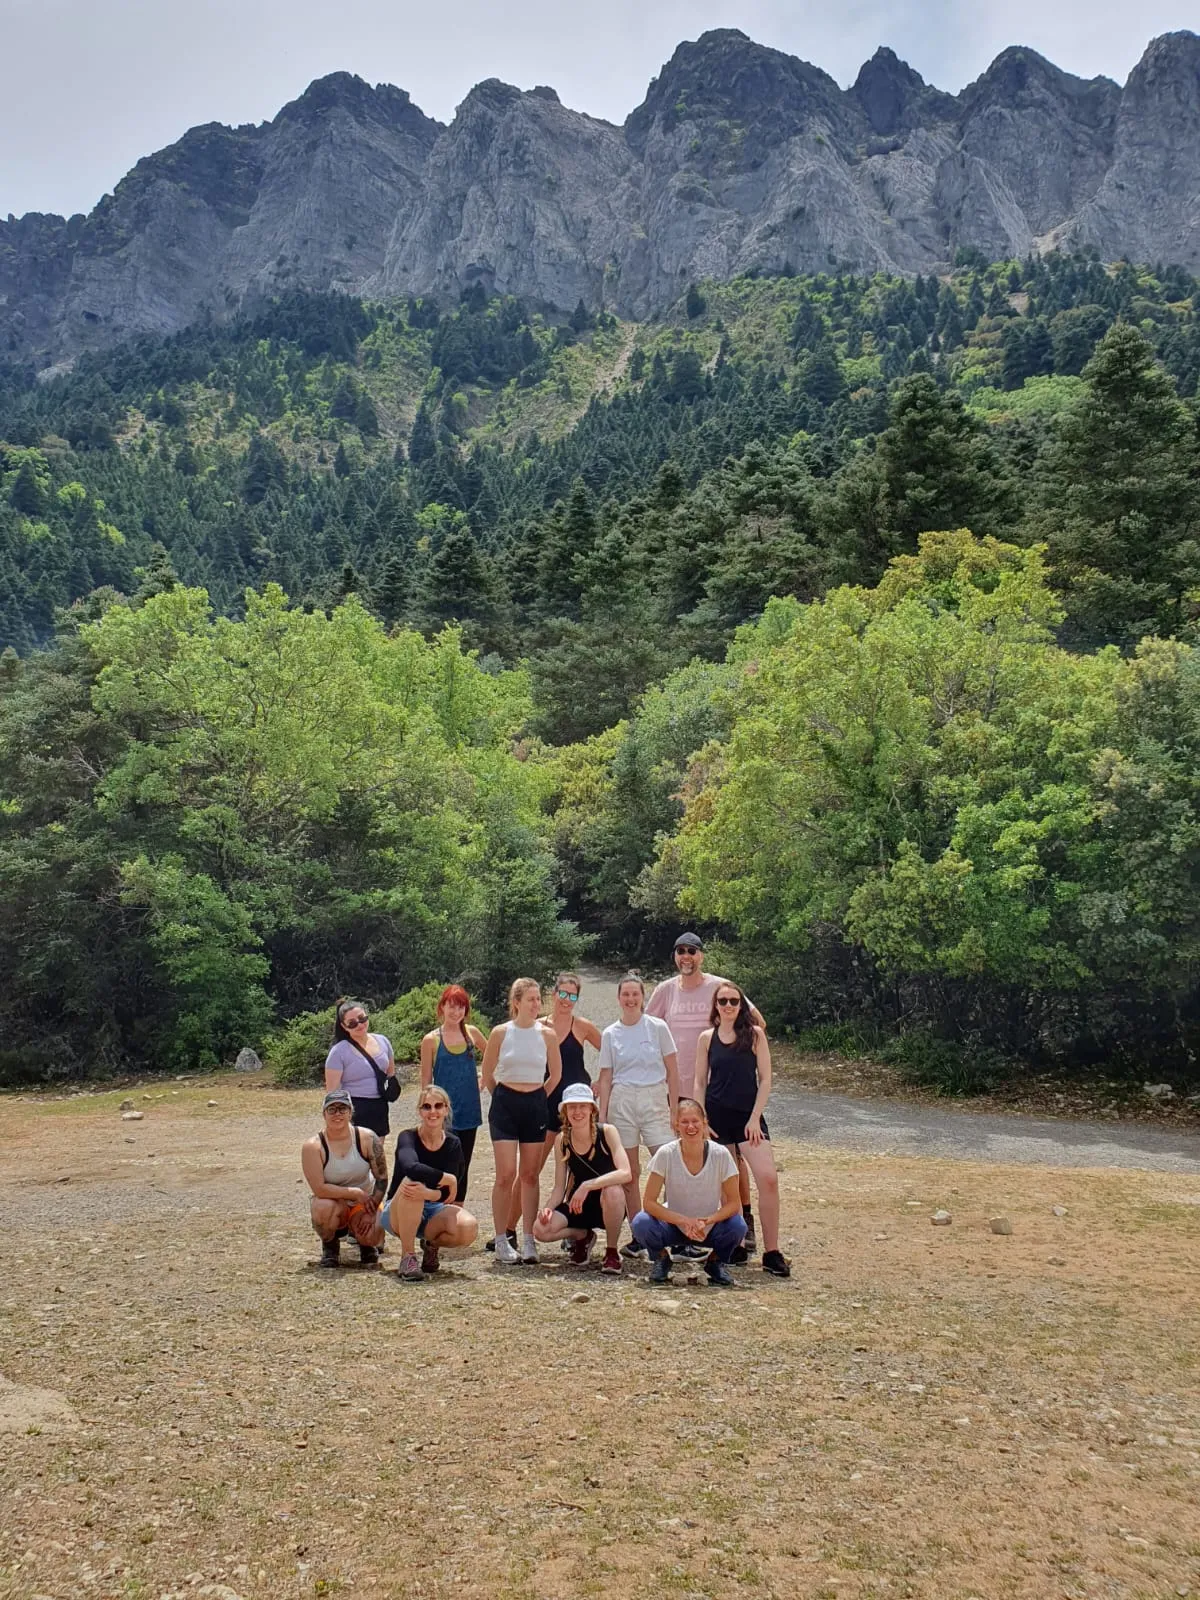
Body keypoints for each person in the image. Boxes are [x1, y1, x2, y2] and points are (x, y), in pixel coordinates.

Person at [646, 934, 764, 1250]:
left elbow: (757, 1024)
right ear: (675, 956)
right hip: (678, 1088)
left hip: (715, 1092)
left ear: (701, 956)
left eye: (692, 951)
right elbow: (647, 1028)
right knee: (684, 1157)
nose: (687, 957)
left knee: (730, 1157)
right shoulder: (665, 991)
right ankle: (684, 1227)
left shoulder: (719, 987)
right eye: (681, 951)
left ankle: (744, 1220)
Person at [694, 982, 791, 1278]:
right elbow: (699, 1082)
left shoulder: (755, 1036)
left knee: (768, 1179)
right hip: (717, 1118)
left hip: (749, 1118)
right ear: (715, 1005)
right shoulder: (706, 1038)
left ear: (741, 1005)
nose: (728, 1006)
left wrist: (754, 1118)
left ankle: (772, 1252)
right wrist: (702, 1121)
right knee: (729, 1185)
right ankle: (733, 1244)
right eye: (722, 1001)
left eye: (733, 1001)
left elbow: (765, 1079)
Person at [503, 972, 603, 1244]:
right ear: (554, 993)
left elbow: (611, 1053)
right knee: (529, 1172)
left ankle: (578, 1230)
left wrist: (601, 1082)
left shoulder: (582, 1027)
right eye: (563, 993)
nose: (566, 1000)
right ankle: (511, 1229)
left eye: (573, 995)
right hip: (544, 1108)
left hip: (578, 1112)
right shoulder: (536, 1027)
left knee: (580, 1172)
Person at [595, 972, 679, 1259]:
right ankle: (639, 1234)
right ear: (619, 998)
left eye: (635, 994)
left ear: (643, 997)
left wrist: (676, 1107)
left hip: (654, 1097)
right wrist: (603, 1116)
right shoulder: (610, 1033)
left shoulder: (657, 1027)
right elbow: (605, 1077)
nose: (630, 999)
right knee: (629, 1172)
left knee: (669, 1162)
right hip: (622, 1101)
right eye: (625, 994)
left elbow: (673, 1070)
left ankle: (675, 1230)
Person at [480, 978, 562, 1265]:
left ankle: (528, 1239)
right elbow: (488, 1073)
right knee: (505, 1174)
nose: (536, 1004)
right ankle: (501, 1239)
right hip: (505, 1104)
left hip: (535, 1106)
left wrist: (538, 1097)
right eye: (530, 999)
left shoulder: (547, 1034)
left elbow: (556, 1074)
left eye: (539, 999)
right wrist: (502, 1097)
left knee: (530, 1174)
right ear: (516, 1003)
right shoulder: (501, 1033)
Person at [631, 1098, 747, 1288]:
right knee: (640, 1222)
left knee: (737, 1225)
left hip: (707, 1226)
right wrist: (683, 1221)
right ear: (676, 1125)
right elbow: (649, 1202)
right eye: (684, 1122)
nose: (690, 1127)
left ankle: (715, 1262)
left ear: (704, 1123)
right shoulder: (666, 1154)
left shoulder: (721, 1155)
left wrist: (707, 1220)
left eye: (695, 1121)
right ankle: (661, 1259)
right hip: (673, 1225)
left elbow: (734, 1203)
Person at [382, 1085, 479, 1282]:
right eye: (426, 1106)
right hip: (398, 1210)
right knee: (411, 1185)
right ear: (419, 1111)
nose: (432, 1112)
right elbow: (410, 1166)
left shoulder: (453, 1144)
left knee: (469, 1227)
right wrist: (446, 1178)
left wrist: (431, 1193)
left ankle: (431, 1245)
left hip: (432, 1209)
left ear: (446, 1109)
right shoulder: (407, 1137)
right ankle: (407, 1258)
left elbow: (449, 1194)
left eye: (438, 1106)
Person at [533, 1082, 631, 1273]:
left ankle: (611, 1252)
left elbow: (625, 1173)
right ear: (565, 1111)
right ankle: (582, 1236)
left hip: (607, 1202)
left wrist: (588, 1185)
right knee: (540, 1230)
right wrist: (547, 1209)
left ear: (592, 1109)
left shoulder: (607, 1132)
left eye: (583, 1106)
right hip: (578, 1205)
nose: (578, 1112)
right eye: (572, 1107)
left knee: (613, 1191)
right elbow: (559, 1188)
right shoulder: (562, 1139)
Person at [302, 1088, 389, 1268]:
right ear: (324, 1114)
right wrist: (353, 1193)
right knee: (322, 1208)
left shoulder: (367, 1138)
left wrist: (371, 1210)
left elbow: (382, 1178)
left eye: (343, 1108)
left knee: (373, 1233)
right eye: (331, 1109)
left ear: (351, 1112)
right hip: (334, 1201)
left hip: (365, 1201)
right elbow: (319, 1189)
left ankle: (366, 1244)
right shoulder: (313, 1146)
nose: (337, 1114)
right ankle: (330, 1244)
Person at [419, 986, 486, 1202]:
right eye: (451, 1006)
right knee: (441, 1162)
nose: (455, 1012)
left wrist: (483, 1076)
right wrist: (427, 1112)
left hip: (469, 1111)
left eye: (461, 1007)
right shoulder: (431, 1039)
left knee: (463, 1163)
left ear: (466, 1010)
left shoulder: (472, 1033)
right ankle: (435, 1212)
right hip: (442, 1114)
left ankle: (457, 1211)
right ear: (442, 1008)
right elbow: (426, 1081)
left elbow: (493, 1054)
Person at [324, 1000, 398, 1140]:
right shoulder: (338, 1051)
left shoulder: (383, 1041)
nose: (359, 1024)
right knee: (355, 1154)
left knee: (376, 1154)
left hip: (380, 1105)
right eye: (352, 1023)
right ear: (344, 1026)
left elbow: (391, 1074)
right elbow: (332, 1092)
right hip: (354, 1108)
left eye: (362, 1019)